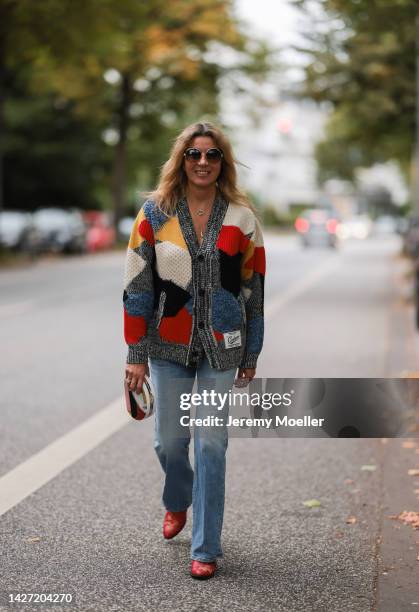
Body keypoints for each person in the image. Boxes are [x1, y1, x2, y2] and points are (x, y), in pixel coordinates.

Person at [123, 121, 265, 579]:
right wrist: (135, 354)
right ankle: (177, 498)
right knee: (170, 442)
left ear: (223, 162)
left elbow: (254, 289)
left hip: (223, 346)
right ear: (181, 160)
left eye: (212, 155)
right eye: (194, 154)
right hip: (167, 345)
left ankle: (205, 548)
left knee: (210, 444)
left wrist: (251, 352)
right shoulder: (155, 213)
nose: (202, 162)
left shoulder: (242, 218)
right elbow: (137, 286)